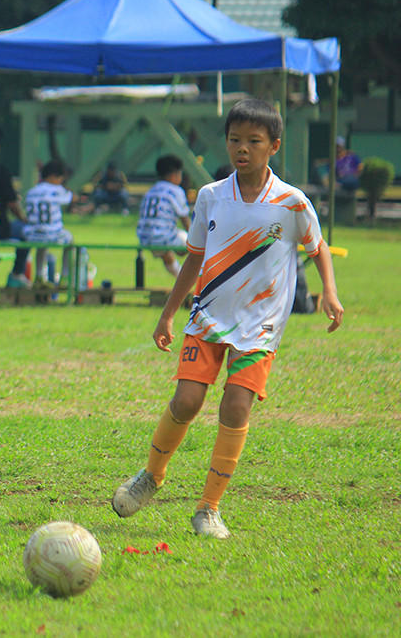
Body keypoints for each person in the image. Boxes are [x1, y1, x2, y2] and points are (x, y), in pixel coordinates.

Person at [111, 98, 344, 540]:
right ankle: (151, 477)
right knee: (186, 402)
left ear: (273, 146)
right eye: (235, 139)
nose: (242, 148)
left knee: (236, 406)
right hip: (207, 319)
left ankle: (209, 509)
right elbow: (194, 259)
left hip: (260, 327)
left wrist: (329, 292)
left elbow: (319, 247)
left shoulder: (292, 203)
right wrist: (166, 315)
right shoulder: (211, 196)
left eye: (253, 141)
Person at [19, 160, 75, 286]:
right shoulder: (58, 190)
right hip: (52, 233)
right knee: (69, 241)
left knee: (41, 246)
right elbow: (71, 197)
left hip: (31, 234)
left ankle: (39, 276)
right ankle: (64, 277)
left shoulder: (31, 192)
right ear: (54, 176)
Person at [136, 155, 191, 278]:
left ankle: (181, 278)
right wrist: (197, 239)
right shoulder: (175, 190)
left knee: (167, 252)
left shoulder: (151, 190)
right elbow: (185, 220)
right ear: (174, 175)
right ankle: (194, 279)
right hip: (163, 236)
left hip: (144, 237)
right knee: (196, 245)